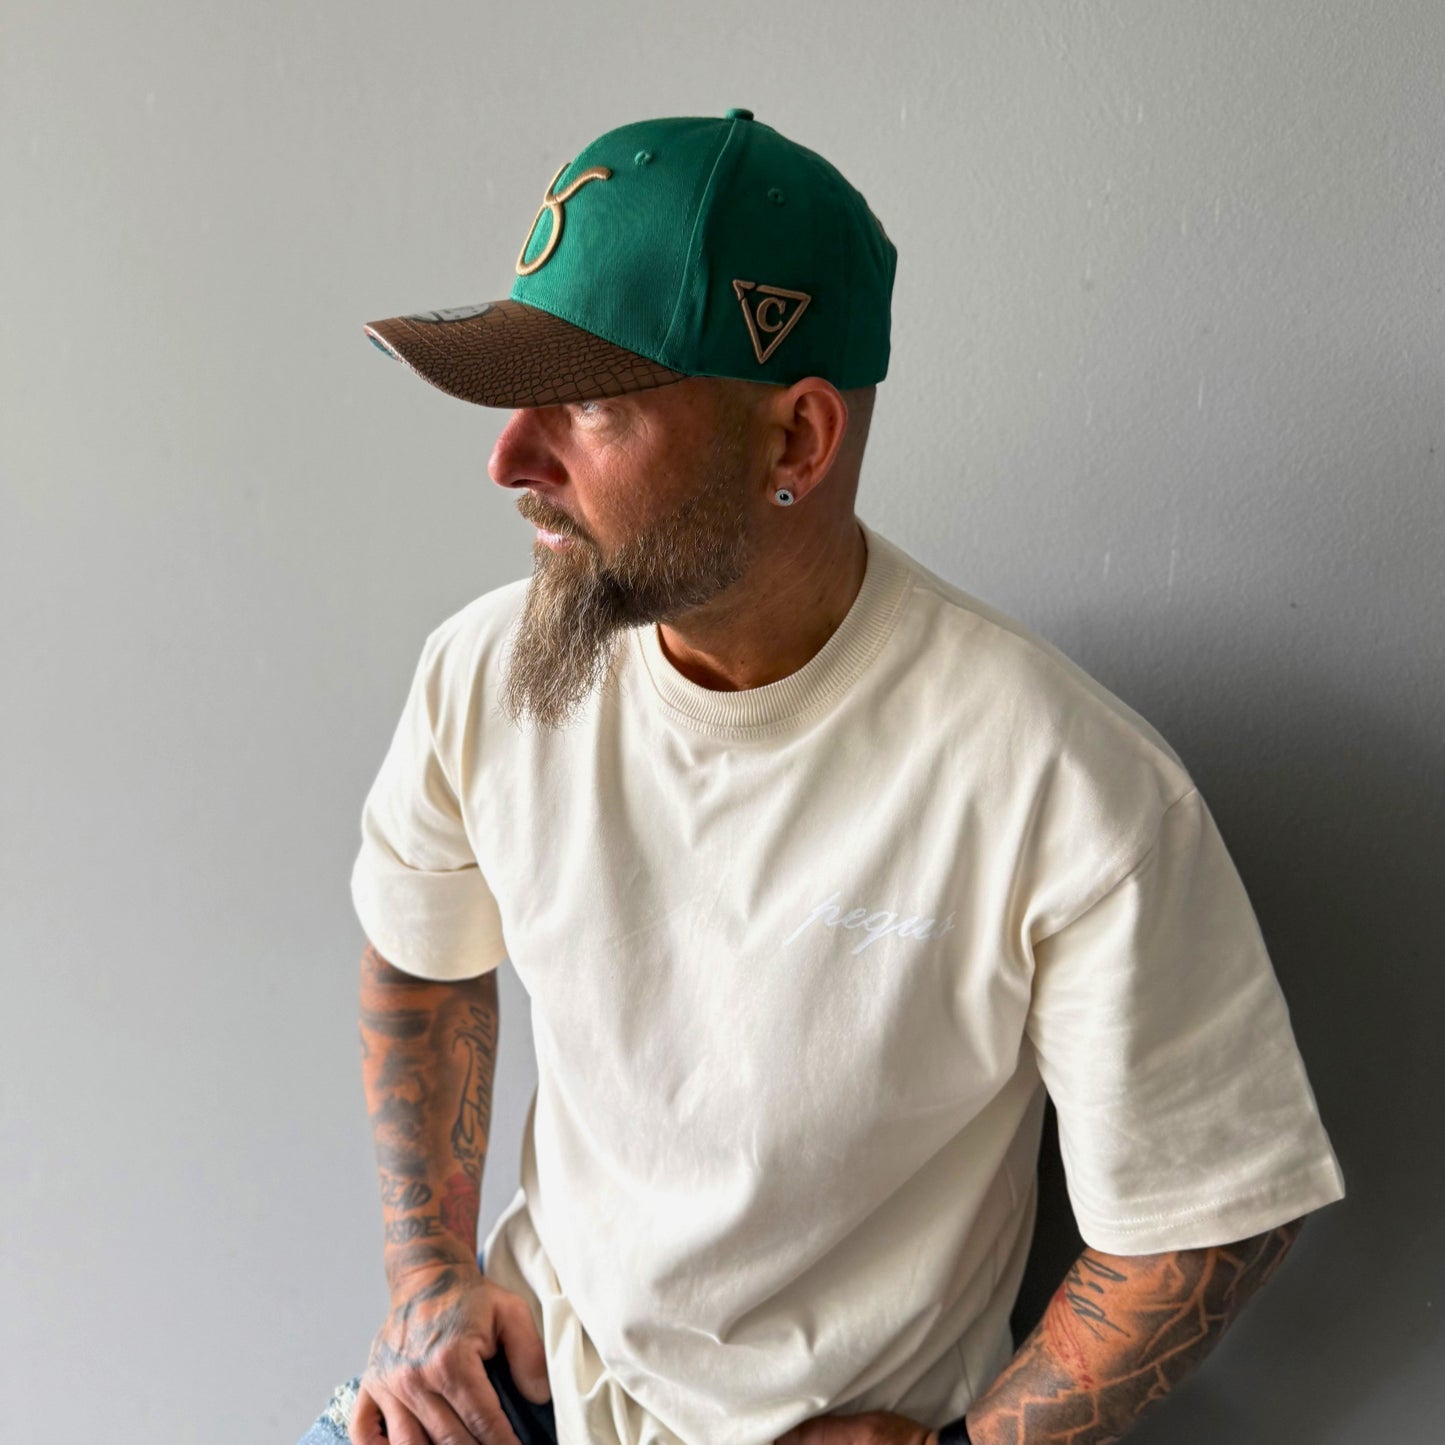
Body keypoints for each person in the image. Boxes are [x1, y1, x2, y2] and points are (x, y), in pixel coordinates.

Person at [296, 109, 1346, 1445]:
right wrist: (429, 1278)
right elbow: (422, 954)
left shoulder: (1061, 785)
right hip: (527, 1384)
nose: (509, 459)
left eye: (591, 404)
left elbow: (1207, 1213)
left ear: (796, 440)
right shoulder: (485, 670)